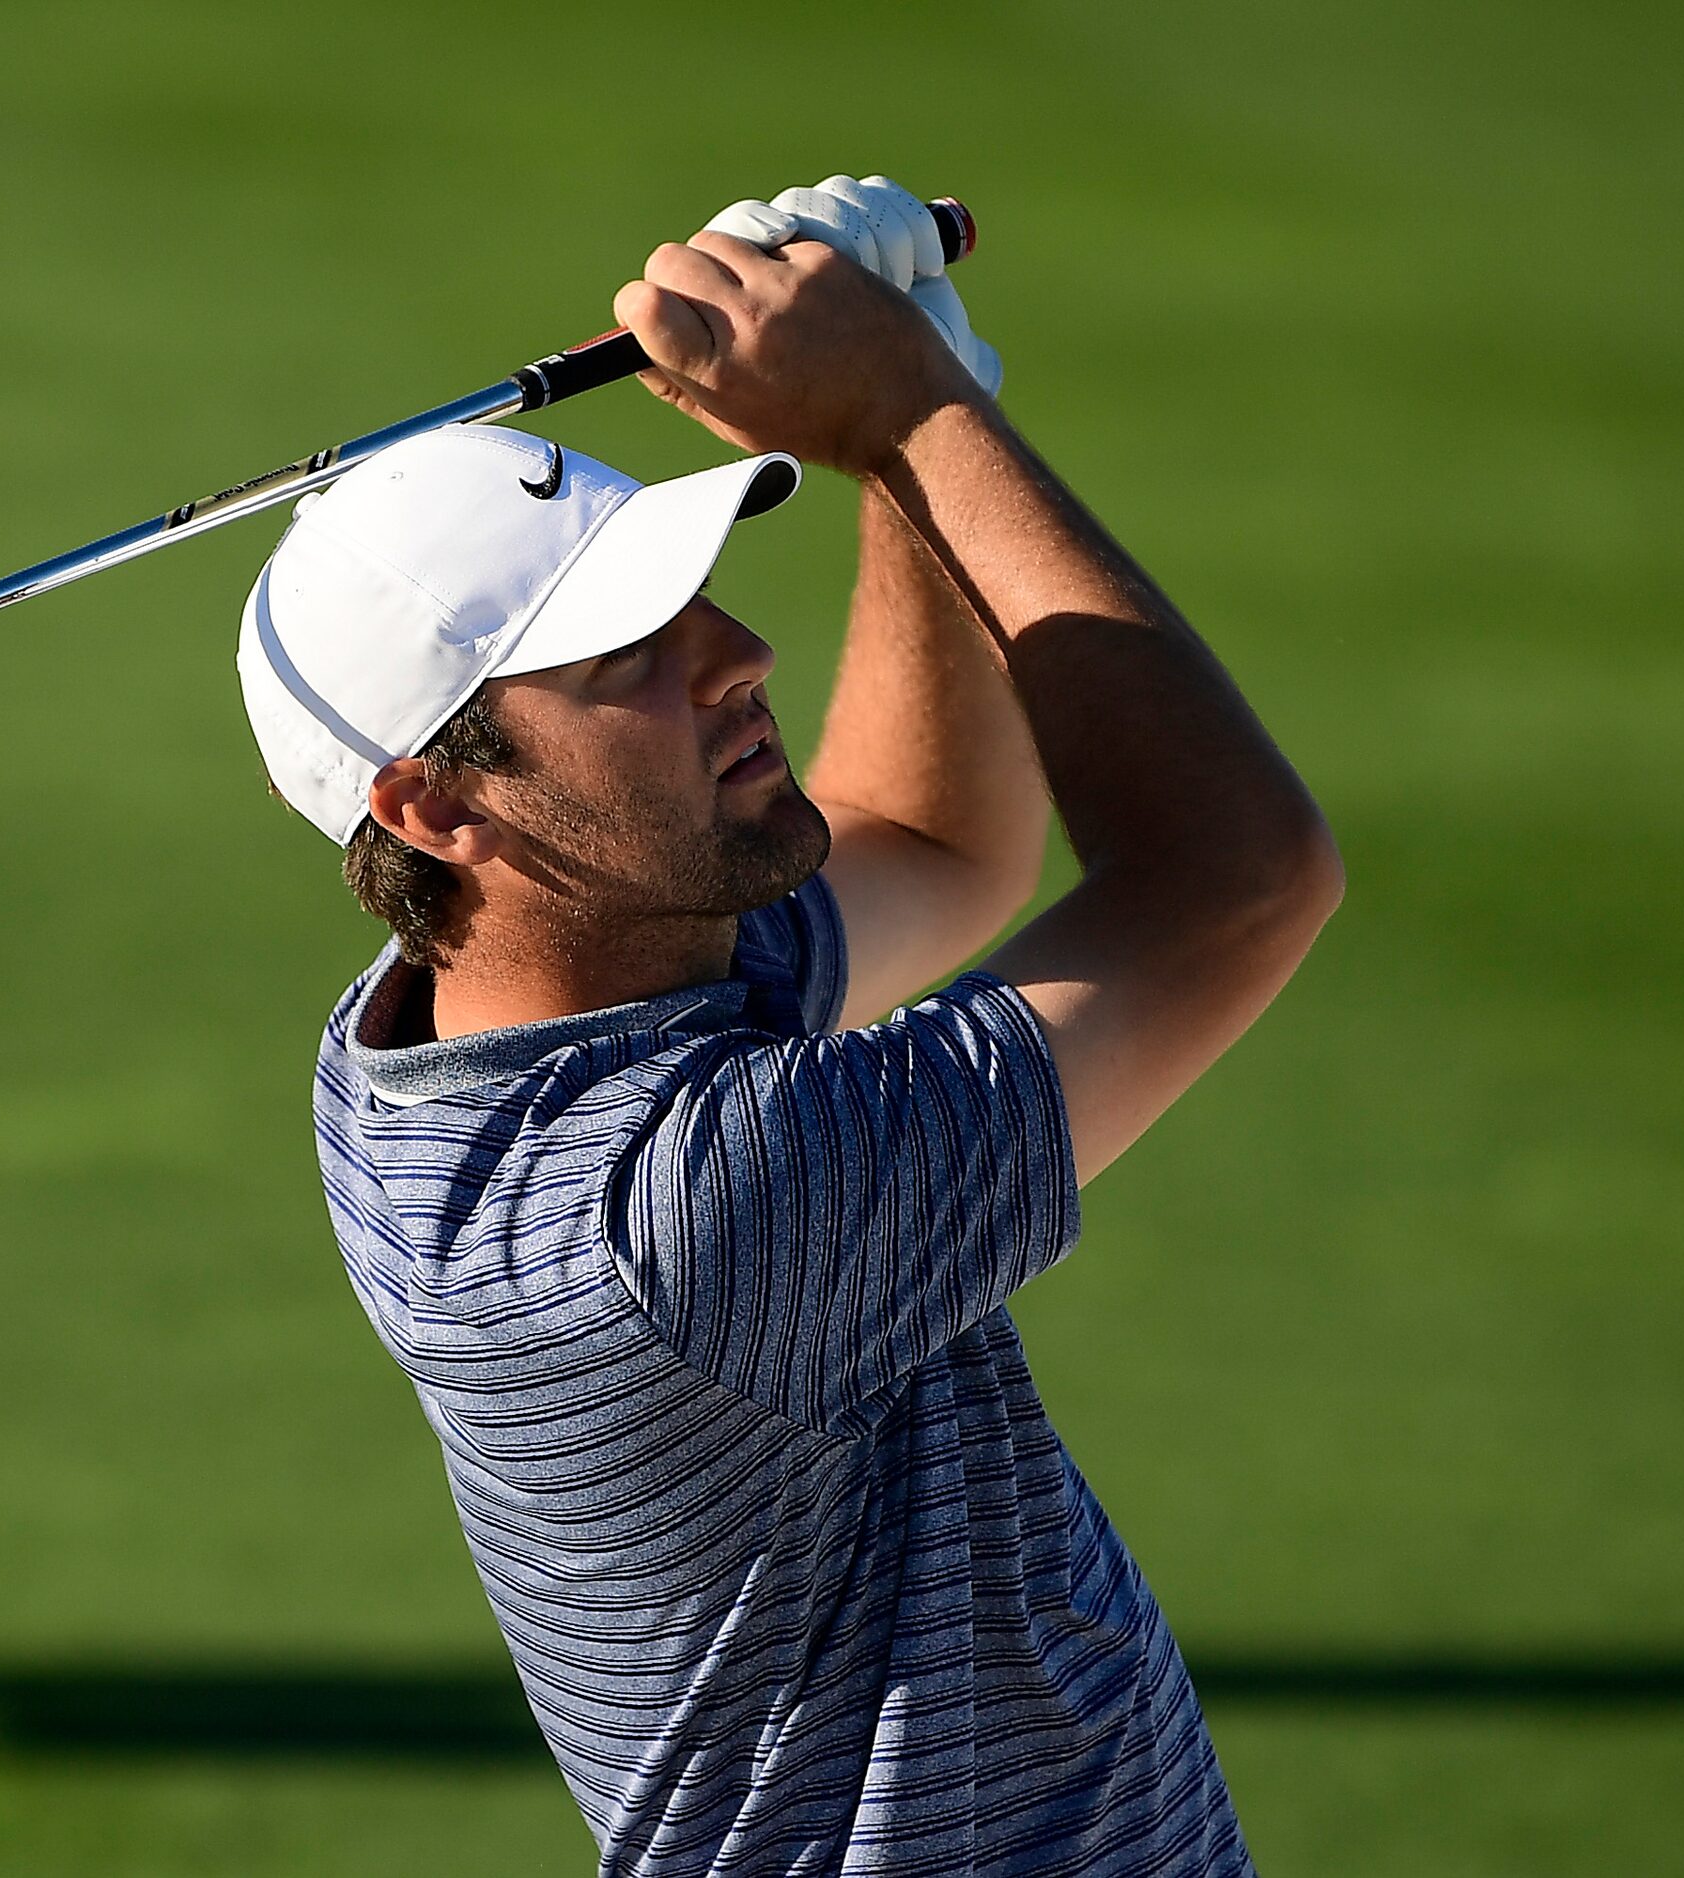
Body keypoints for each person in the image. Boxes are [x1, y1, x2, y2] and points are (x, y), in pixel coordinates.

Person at [235, 173, 1341, 1877]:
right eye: (625, 659)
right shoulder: (688, 1219)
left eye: (690, 596)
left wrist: (911, 456)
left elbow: (930, 842)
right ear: (439, 808)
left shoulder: (463, 1030)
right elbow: (1240, 876)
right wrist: (911, 405)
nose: (739, 652)